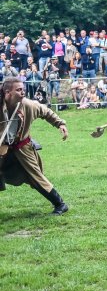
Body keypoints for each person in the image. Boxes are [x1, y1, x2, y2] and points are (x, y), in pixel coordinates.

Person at [0, 78, 69, 215]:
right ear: (8, 92)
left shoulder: (28, 105)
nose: (23, 92)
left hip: (22, 148)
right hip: (2, 148)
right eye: (18, 90)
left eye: (23, 89)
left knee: (35, 176)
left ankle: (60, 204)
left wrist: (60, 124)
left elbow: (46, 111)